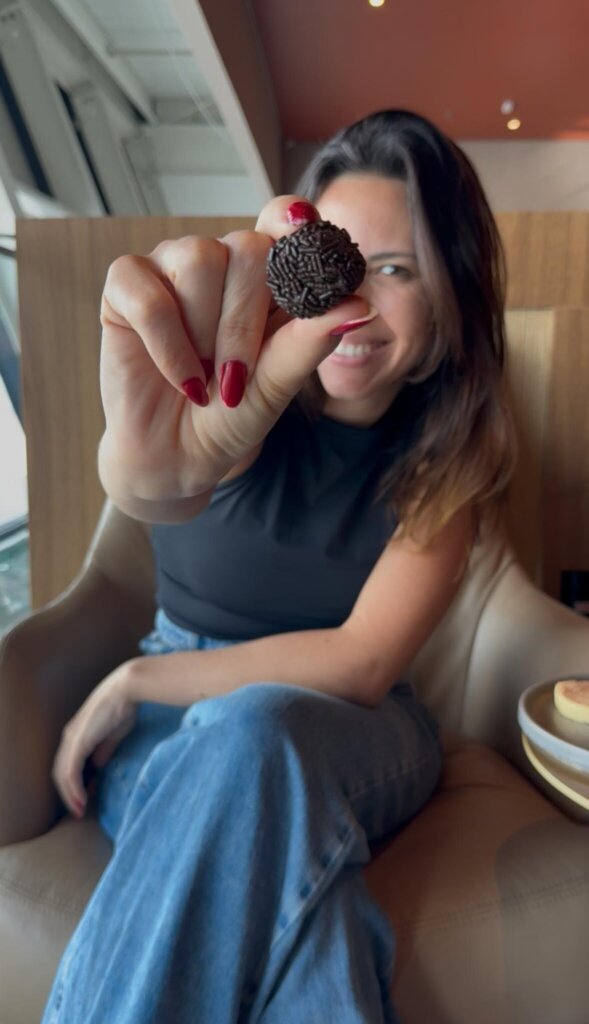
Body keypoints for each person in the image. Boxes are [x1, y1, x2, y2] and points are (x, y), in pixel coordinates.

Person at [43, 109, 515, 1023]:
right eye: (342, 259)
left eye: (398, 268)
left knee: (254, 732)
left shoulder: (450, 461)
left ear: (451, 296)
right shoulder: (233, 397)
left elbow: (363, 664)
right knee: (305, 914)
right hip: (172, 732)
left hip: (354, 725)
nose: (360, 303)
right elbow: (156, 483)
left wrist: (141, 674)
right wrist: (136, 470)